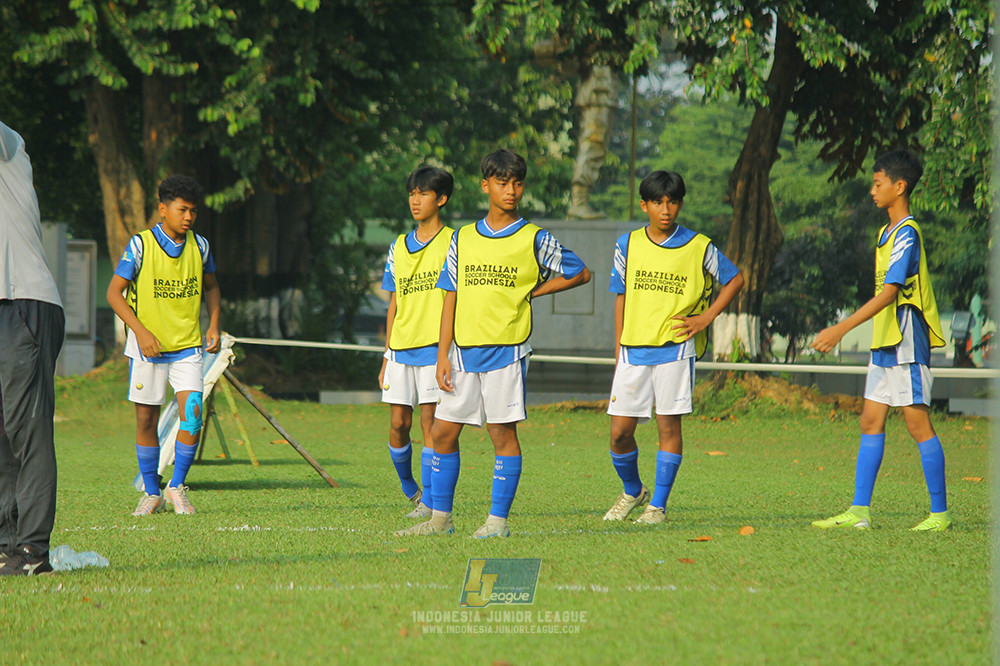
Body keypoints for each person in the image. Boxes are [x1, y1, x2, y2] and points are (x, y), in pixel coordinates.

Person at [395, 149, 591, 537]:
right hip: (463, 353)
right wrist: (443, 355)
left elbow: (581, 273)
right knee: (442, 433)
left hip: (507, 350)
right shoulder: (463, 238)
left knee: (502, 435)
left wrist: (533, 292)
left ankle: (496, 523)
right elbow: (449, 295)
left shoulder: (534, 237)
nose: (511, 190)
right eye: (502, 182)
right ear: (486, 185)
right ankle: (440, 521)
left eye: (517, 183)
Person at [811, 150, 950, 532]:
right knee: (870, 420)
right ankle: (859, 511)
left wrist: (840, 329)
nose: (872, 190)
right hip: (885, 341)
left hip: (906, 338)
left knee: (917, 423)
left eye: (878, 183)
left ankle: (940, 514)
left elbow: (889, 293)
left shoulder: (907, 231)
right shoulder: (884, 233)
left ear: (898, 186)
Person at [602, 170, 743, 524]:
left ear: (680, 204)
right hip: (633, 351)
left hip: (675, 350)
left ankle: (658, 507)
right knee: (619, 433)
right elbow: (620, 297)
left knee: (669, 428)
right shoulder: (627, 244)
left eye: (673, 202)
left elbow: (735, 278)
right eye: (658, 202)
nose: (666, 210)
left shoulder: (699, 246)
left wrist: (705, 319)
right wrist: (619, 347)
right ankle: (633, 490)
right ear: (644, 205)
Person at [107, 175, 221, 517]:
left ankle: (177, 486)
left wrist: (214, 323)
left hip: (188, 347)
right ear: (163, 209)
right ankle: (152, 492)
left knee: (193, 415)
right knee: (146, 420)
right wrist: (140, 331)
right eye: (182, 209)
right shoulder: (141, 245)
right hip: (148, 350)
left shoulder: (200, 247)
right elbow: (114, 293)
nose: (188, 217)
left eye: (193, 211)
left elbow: (212, 288)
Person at [0, 121, 65, 576]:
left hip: (24, 301)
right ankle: (6, 543)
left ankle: (32, 551)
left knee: (27, 433)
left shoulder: (10, 144)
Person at [379, 165, 455, 520]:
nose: (415, 200)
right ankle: (411, 488)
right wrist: (385, 354)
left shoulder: (454, 243)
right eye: (412, 193)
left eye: (423, 193)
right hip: (400, 349)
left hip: (434, 349)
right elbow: (394, 300)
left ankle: (429, 503)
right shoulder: (397, 245)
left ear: (441, 199)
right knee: (398, 424)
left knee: (429, 424)